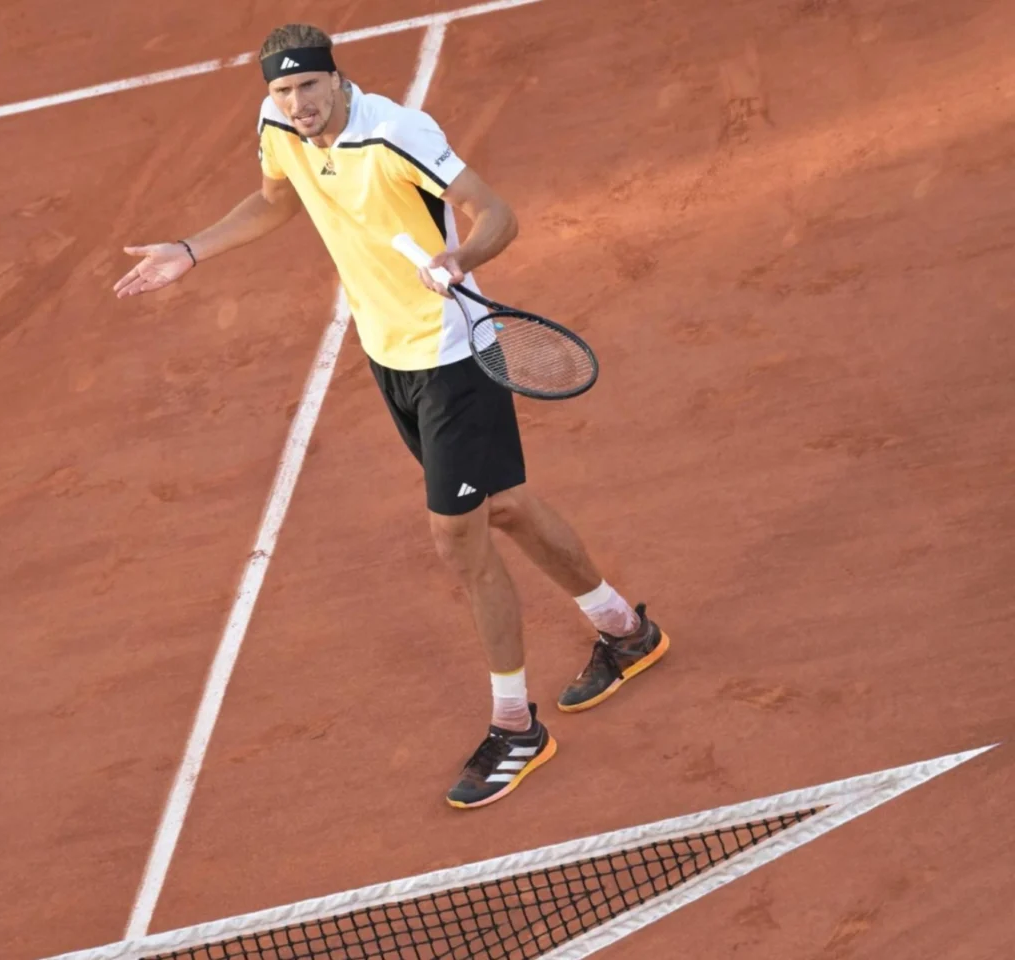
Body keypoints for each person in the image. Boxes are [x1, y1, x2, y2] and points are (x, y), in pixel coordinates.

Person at [112, 24, 670, 810]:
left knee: (458, 533)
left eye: (310, 86)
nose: (298, 104)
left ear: (338, 80)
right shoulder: (278, 128)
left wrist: (459, 259)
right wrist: (192, 249)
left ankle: (516, 727)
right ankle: (625, 631)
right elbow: (276, 201)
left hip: (451, 358)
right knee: (503, 505)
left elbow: (496, 214)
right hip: (388, 356)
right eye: (283, 90)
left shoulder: (398, 134)